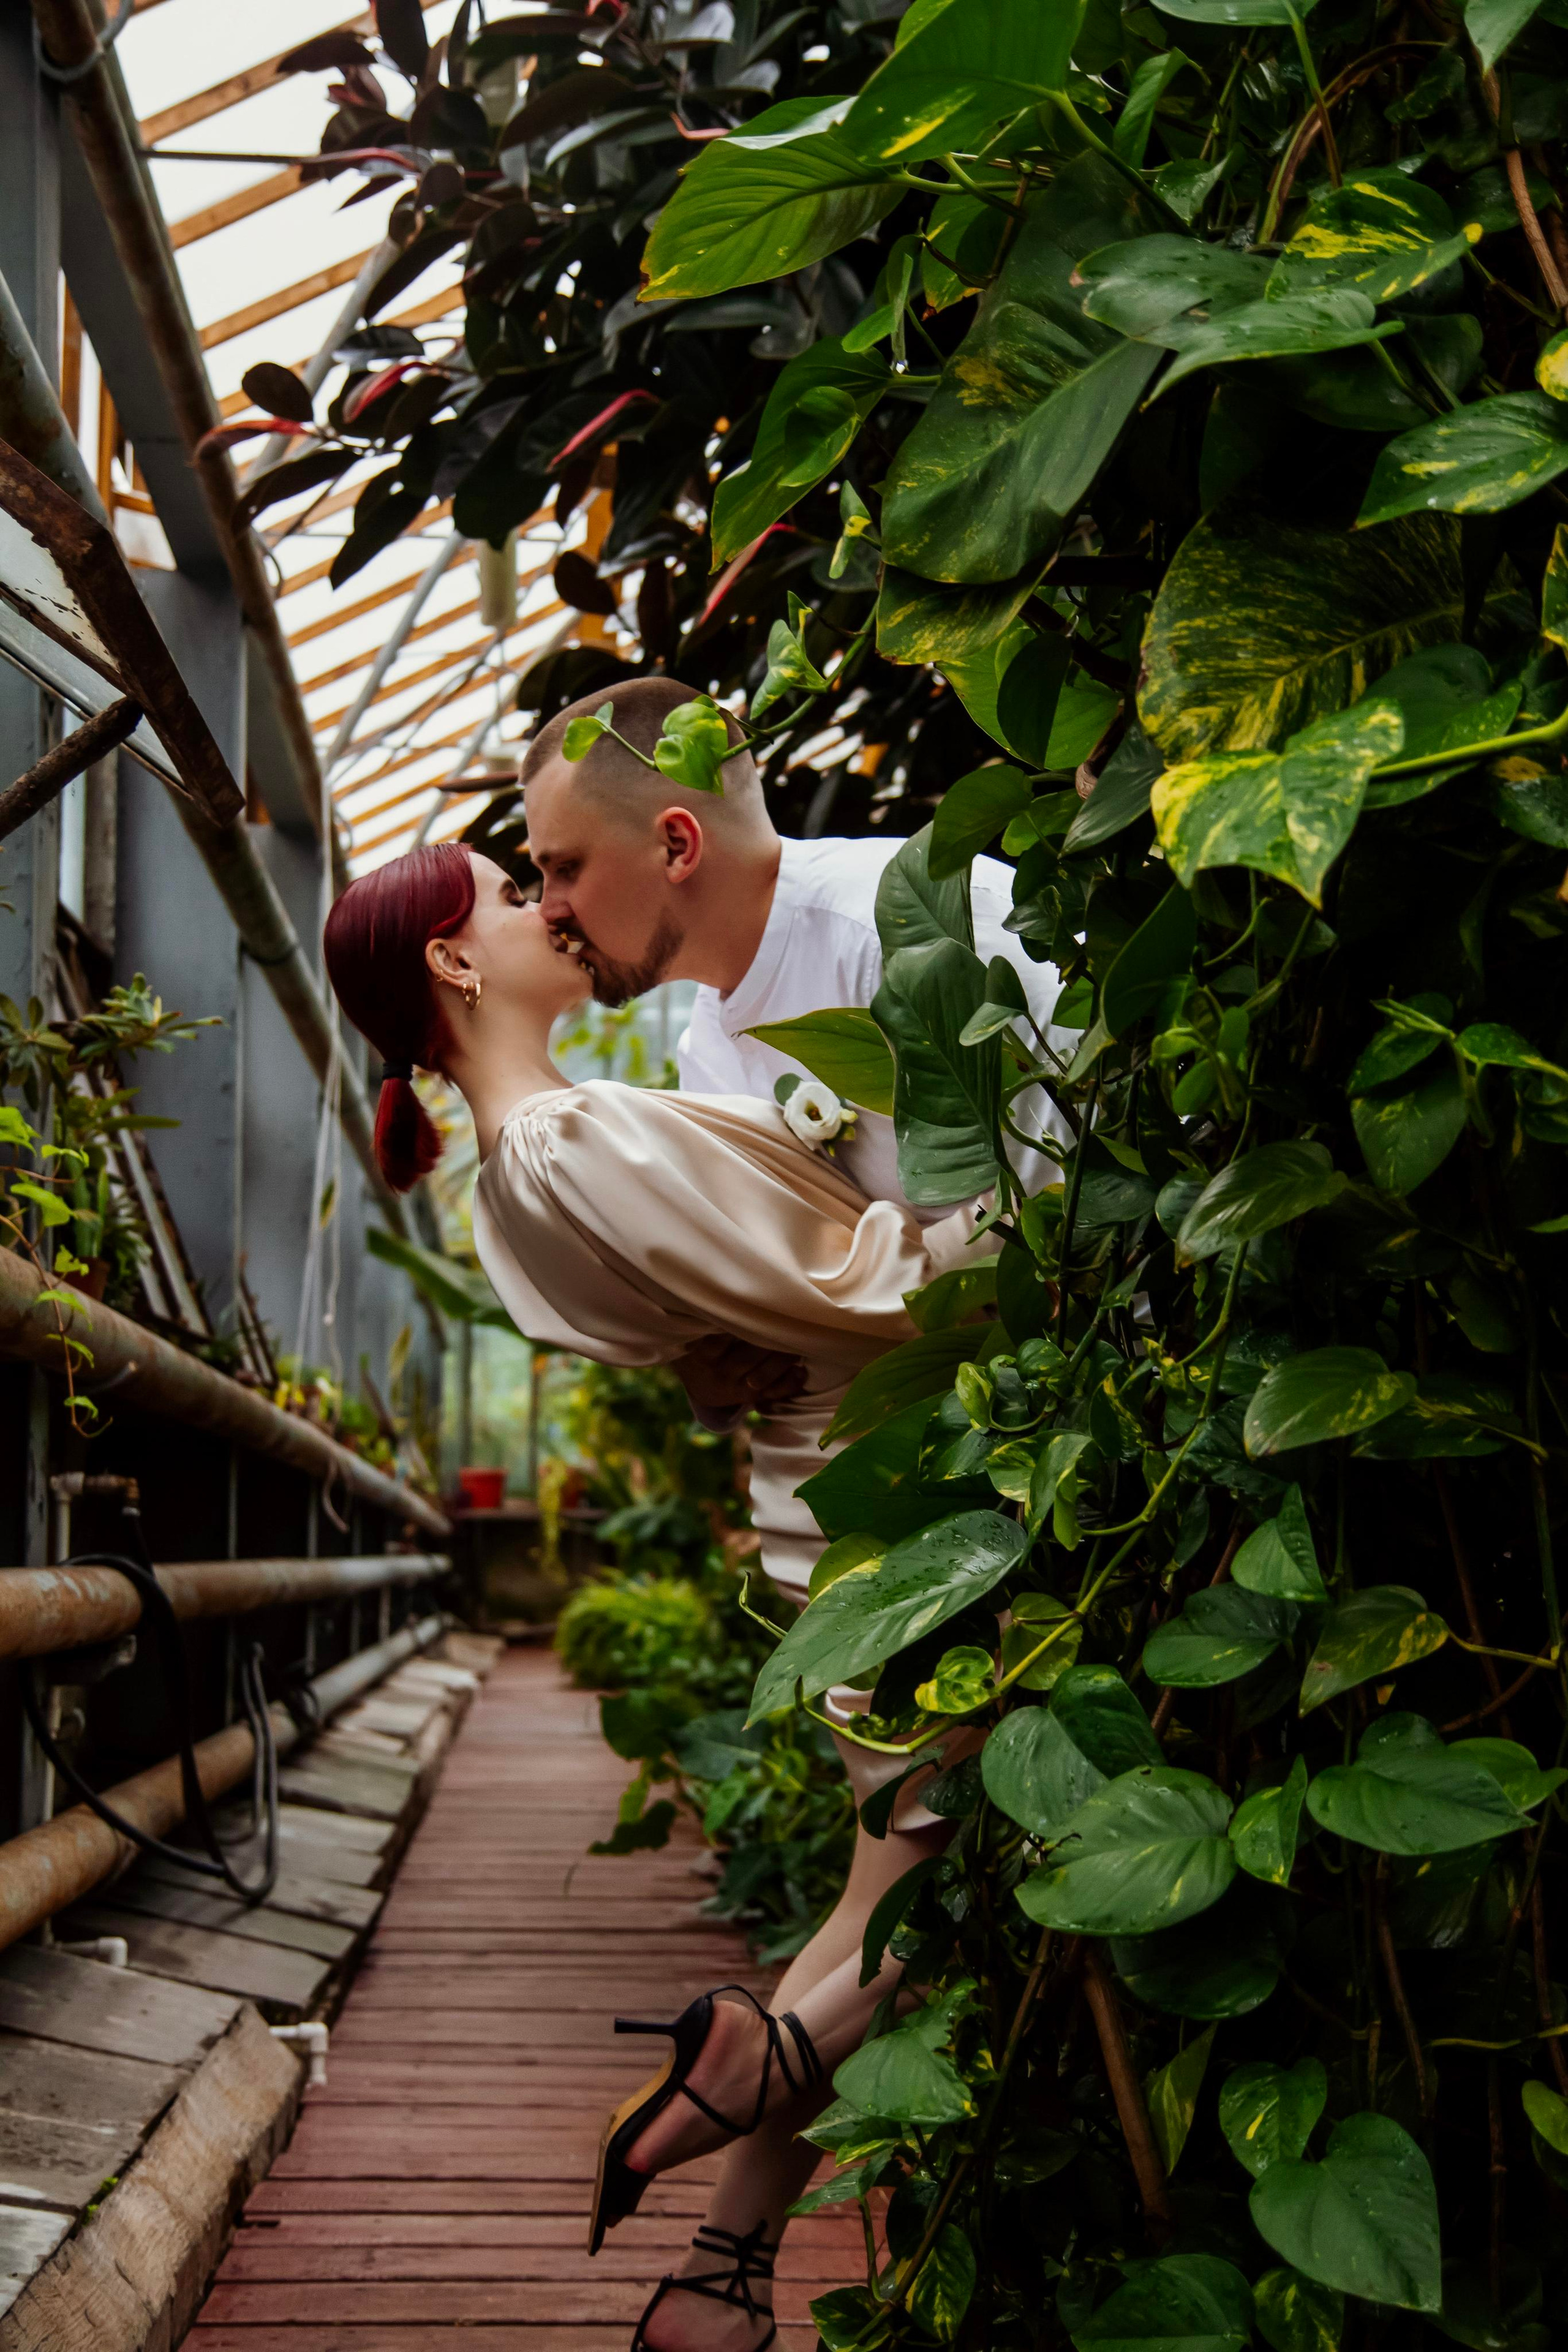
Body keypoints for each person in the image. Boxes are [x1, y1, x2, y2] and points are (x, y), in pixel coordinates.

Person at [322, 843, 987, 2352]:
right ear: (452, 961)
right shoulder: (570, 1140)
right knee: (976, 1858)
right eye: (507, 891)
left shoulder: (527, 1166)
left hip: (841, 1517)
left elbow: (717, 1314)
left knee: (898, 1879)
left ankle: (717, 2275)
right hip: (895, 1513)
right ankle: (761, 2060)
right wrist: (1077, 1213)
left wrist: (718, 1347)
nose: (549, 904)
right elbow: (875, 1284)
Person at [520, 676, 1075, 1226]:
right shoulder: (708, 1051)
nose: (549, 909)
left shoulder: (907, 931)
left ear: (676, 846)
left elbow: (1074, 1211)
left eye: (566, 868)